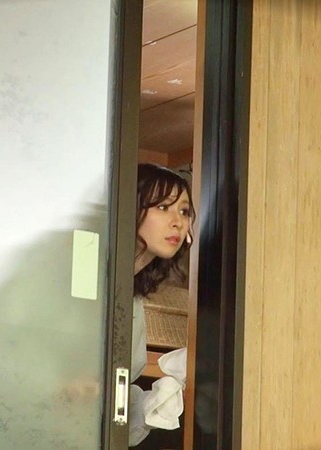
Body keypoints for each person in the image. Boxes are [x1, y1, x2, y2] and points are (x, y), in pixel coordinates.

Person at [128, 163, 195, 447]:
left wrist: (160, 399)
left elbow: (118, 410)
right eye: (163, 207)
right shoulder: (88, 281)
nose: (178, 221)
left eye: (184, 211)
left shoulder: (133, 295)